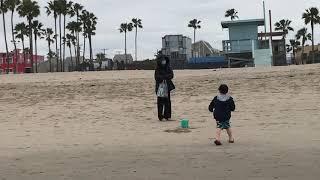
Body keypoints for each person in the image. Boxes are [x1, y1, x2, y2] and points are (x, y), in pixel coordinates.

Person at [155, 56, 175, 121]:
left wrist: (165, 77)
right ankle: (161, 117)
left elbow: (171, 75)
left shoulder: (168, 67)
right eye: (162, 61)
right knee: (160, 102)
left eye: (164, 60)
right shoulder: (157, 69)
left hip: (167, 86)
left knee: (168, 102)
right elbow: (157, 77)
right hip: (160, 87)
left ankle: (167, 116)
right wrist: (163, 78)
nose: (164, 62)